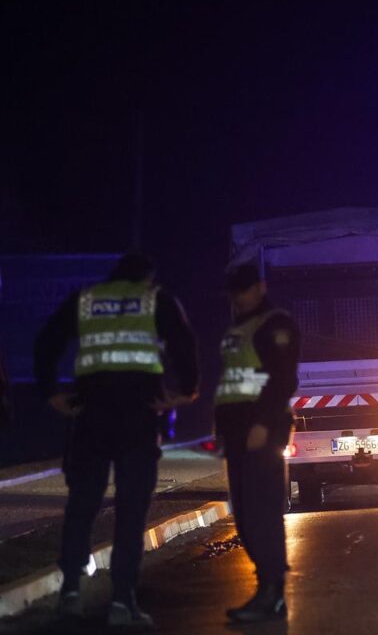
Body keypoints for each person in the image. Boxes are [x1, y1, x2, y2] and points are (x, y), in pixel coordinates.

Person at [34, 252, 198, 628]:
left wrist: (51, 392)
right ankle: (123, 600)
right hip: (139, 416)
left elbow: (47, 342)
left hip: (90, 413)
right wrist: (185, 390)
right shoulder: (157, 299)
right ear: (148, 277)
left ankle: (71, 591)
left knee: (82, 505)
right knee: (131, 508)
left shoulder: (86, 300)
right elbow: (184, 343)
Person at [216, 263, 300, 622]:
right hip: (237, 434)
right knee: (246, 517)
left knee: (262, 513)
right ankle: (265, 589)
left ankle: (272, 594)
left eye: (245, 289)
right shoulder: (237, 328)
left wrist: (264, 423)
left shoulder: (275, 325)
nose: (239, 296)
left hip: (261, 433)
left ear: (261, 288)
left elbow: (283, 380)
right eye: (234, 291)